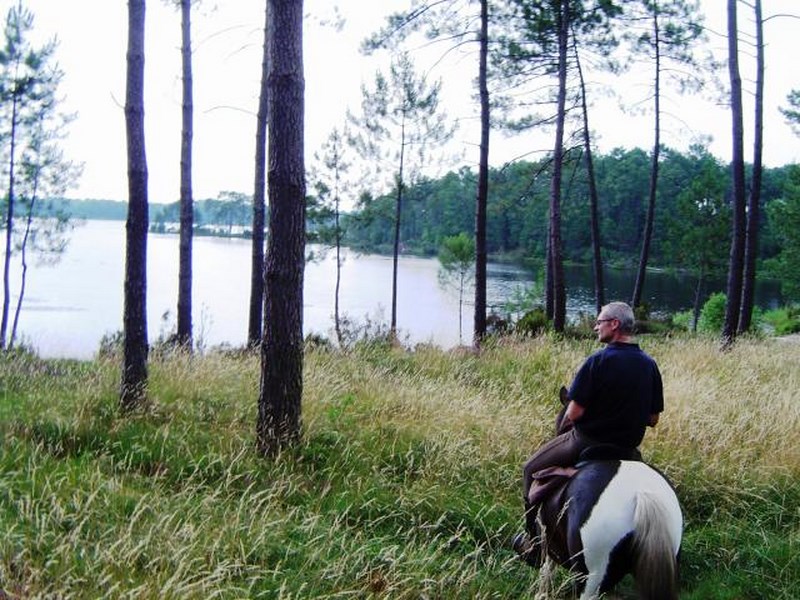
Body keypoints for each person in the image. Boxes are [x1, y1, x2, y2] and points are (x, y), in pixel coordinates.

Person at [515, 301, 664, 560]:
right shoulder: (649, 364)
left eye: (600, 321)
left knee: (529, 469)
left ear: (614, 324)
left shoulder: (597, 361)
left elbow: (573, 413)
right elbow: (653, 419)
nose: (596, 326)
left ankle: (535, 545)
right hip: (628, 448)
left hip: (586, 441)